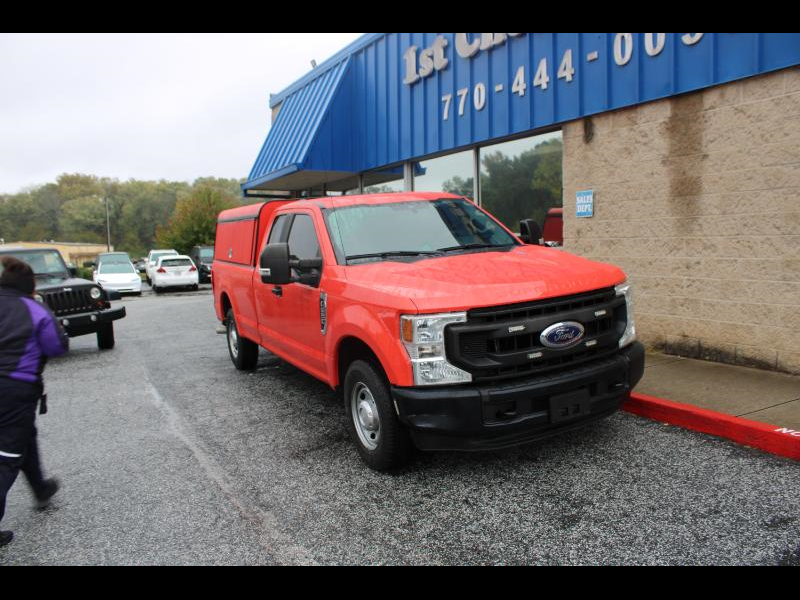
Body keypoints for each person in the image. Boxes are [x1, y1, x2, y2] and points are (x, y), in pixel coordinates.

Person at [0, 256, 69, 548]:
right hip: (15, 388)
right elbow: (56, 346)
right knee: (7, 456)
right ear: (30, 288)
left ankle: (40, 488)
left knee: (24, 437)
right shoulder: (34, 309)